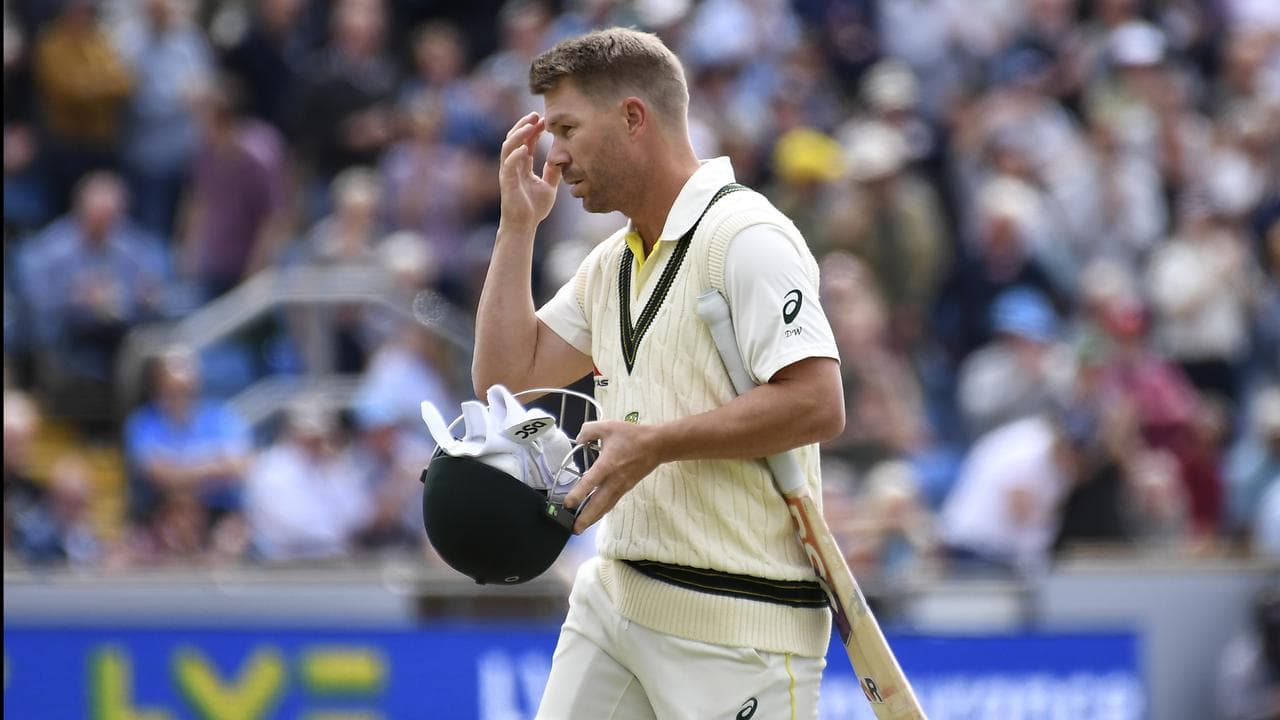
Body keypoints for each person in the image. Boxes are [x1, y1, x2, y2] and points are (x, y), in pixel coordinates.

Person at [472, 28, 845, 719]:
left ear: (633, 118)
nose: (555, 154)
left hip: (739, 623)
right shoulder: (612, 260)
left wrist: (658, 444)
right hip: (615, 597)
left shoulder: (747, 238)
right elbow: (507, 382)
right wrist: (516, 228)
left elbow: (818, 405)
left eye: (567, 129)